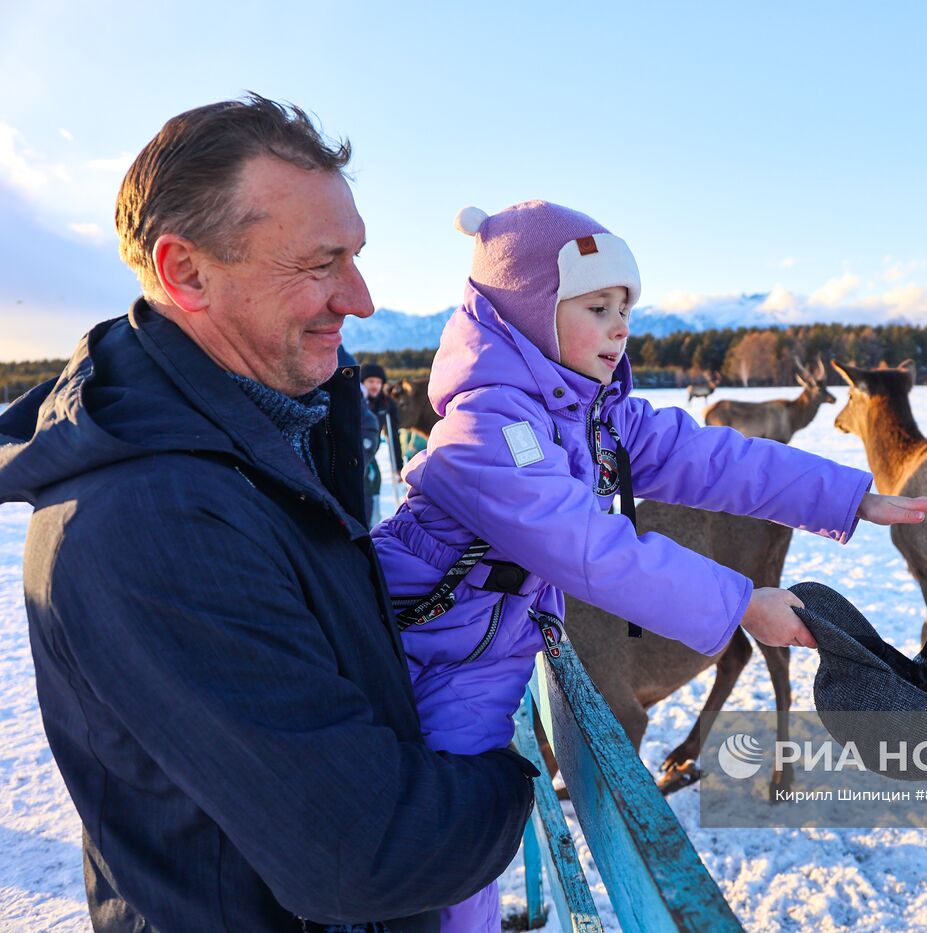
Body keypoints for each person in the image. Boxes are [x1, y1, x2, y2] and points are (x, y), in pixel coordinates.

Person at [0, 96, 537, 932]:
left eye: (356, 256)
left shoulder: (274, 429)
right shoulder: (156, 519)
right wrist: (509, 776)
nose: (359, 298)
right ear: (186, 273)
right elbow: (365, 853)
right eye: (322, 264)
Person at [371, 200, 927, 931]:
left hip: (485, 646)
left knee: (467, 846)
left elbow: (706, 456)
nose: (621, 325)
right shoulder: (490, 427)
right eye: (596, 305)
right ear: (526, 311)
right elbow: (588, 547)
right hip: (429, 649)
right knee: (457, 848)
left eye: (626, 305)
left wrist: (845, 496)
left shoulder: (583, 410)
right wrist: (742, 603)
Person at [360, 362, 404, 524]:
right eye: (370, 381)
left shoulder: (385, 403)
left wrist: (398, 465)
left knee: (373, 485)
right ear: (363, 382)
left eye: (378, 382)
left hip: (370, 456)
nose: (375, 386)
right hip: (352, 454)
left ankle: (372, 524)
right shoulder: (355, 400)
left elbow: (393, 435)